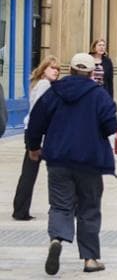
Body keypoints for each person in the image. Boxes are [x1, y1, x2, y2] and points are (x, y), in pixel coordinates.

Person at [25, 52, 117, 275]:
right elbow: (110, 126)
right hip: (89, 161)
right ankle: (90, 259)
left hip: (58, 159)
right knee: (89, 208)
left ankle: (57, 239)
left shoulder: (55, 91)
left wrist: (33, 147)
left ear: (71, 70)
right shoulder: (98, 95)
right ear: (89, 73)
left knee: (60, 205)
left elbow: (36, 121)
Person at [13, 56, 59, 221]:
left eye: (57, 69)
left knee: (28, 172)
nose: (56, 71)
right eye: (52, 67)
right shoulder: (45, 85)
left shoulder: (39, 84)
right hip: (37, 132)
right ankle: (21, 210)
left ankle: (20, 208)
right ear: (44, 69)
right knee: (31, 172)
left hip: (32, 131)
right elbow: (39, 113)